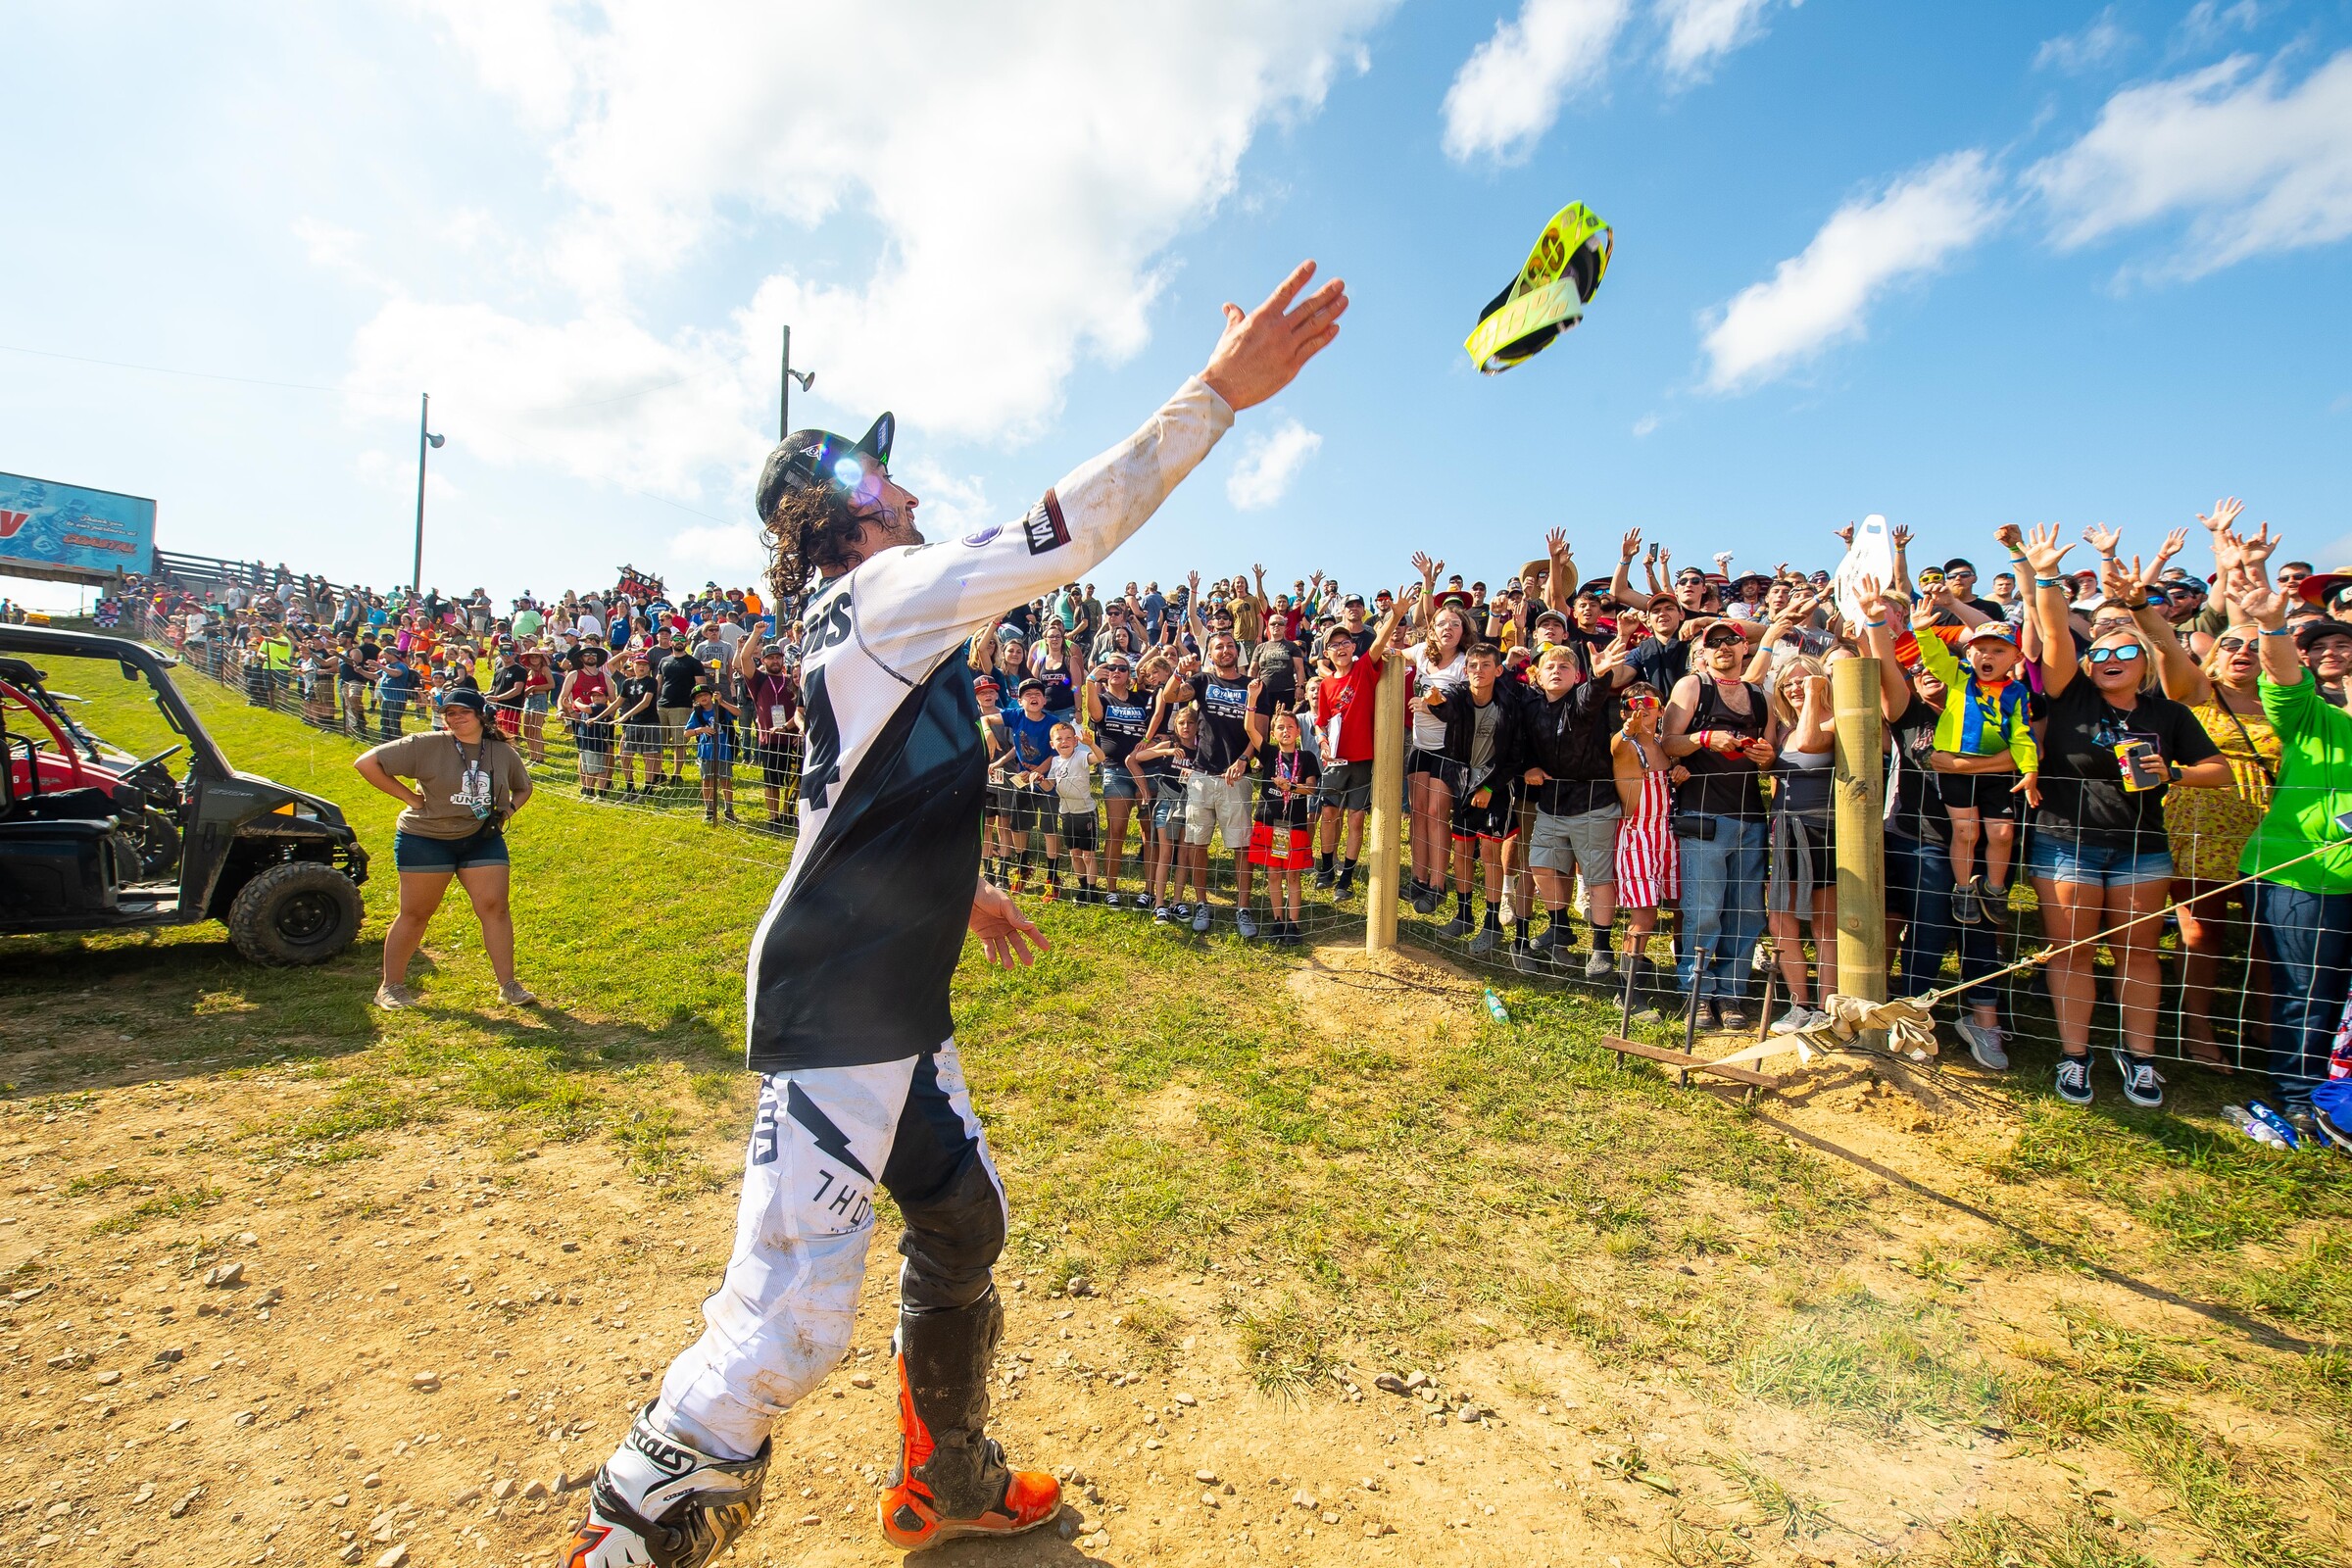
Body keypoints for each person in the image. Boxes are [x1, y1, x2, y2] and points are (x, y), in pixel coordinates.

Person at [562, 259, 1345, 1567]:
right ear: (836, 515)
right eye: (883, 482)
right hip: (841, 1006)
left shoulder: (866, 622)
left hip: (890, 988)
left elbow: (852, 801)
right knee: (787, 1321)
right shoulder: (881, 597)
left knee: (963, 1219)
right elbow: (1068, 534)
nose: (912, 491)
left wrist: (959, 885)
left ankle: (947, 1482)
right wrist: (1218, 395)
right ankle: (632, 1526)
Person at [2017, 524, 2230, 1107]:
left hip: (2142, 846)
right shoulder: (2068, 695)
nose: (2110, 658)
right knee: (2074, 952)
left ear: (2145, 660)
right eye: (2101, 652)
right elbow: (2056, 630)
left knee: (2138, 954)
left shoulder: (2168, 713)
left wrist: (2173, 772)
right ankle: (2075, 1057)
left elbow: (2220, 770)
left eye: (2124, 650)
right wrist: (2044, 574)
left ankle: (2139, 1059)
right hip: (2065, 842)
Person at [2227, 568, 2352, 1145]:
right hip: (2303, 876)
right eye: (2317, 645)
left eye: (2342, 642)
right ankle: (2300, 1099)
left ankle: (2339, 1097)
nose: (2331, 652)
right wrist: (2273, 624)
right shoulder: (2310, 717)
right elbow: (2280, 674)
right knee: (2309, 991)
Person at [353, 688, 536, 1009]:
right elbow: (366, 763)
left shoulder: (502, 752)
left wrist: (506, 811)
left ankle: (508, 985)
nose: (455, 718)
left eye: (463, 711)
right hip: (425, 838)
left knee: (495, 908)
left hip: (480, 838)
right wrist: (410, 798)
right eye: (449, 713)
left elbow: (524, 787)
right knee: (416, 913)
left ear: (481, 714)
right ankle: (390, 986)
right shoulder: (426, 744)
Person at [1662, 619, 1776, 1029]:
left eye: (1732, 641)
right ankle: (1696, 991)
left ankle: (1730, 994)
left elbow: (1772, 753)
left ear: (1746, 648)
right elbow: (1668, 742)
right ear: (1704, 652)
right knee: (1703, 910)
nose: (1724, 647)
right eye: (1714, 643)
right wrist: (1705, 739)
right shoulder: (1693, 687)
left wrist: (1767, 757)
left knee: (1746, 913)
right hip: (1703, 815)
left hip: (1751, 819)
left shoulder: (1761, 697)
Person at [1912, 619, 2038, 924]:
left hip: (1997, 771)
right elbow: (1936, 659)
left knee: (2003, 832)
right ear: (1969, 654)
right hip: (1955, 768)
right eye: (1980, 650)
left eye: (1998, 650)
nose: (1988, 657)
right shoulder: (1959, 678)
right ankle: (1965, 887)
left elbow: (2022, 734)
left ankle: (1995, 889)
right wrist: (1923, 631)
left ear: (2016, 658)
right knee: (1967, 832)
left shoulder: (2017, 692)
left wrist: (2030, 771)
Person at [1426, 642, 1526, 953]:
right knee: (1461, 850)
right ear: (1465, 670)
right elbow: (1444, 707)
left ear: (1498, 670)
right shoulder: (1459, 695)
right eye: (1473, 665)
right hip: (1464, 785)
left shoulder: (1510, 705)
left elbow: (1514, 757)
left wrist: (1489, 787)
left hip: (1495, 786)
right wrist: (1434, 701)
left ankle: (1492, 924)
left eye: (1485, 665)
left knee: (1490, 853)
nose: (1478, 671)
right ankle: (1464, 915)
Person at [1307, 590, 1404, 899]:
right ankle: (1325, 869)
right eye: (1334, 645)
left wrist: (1396, 615)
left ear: (1352, 646)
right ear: (1327, 653)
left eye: (1345, 643)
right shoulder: (1325, 684)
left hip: (1363, 757)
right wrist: (1322, 741)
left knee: (1356, 818)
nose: (1340, 648)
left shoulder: (1364, 669)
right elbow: (1320, 721)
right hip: (1334, 760)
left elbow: (1378, 644)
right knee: (1329, 815)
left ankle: (1346, 880)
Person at [1610, 680, 1683, 1010]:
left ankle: (1685, 981)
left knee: (1682, 908)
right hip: (1638, 837)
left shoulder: (1666, 748)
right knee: (1645, 916)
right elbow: (1617, 747)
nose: (1641, 707)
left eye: (1648, 701)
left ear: (1661, 708)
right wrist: (1627, 731)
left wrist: (1680, 771)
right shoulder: (1629, 747)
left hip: (1668, 837)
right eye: (1632, 702)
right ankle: (1626, 995)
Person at [1250, 708, 1320, 945]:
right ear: (1273, 733)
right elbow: (1250, 728)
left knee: (1292, 876)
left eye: (1290, 726)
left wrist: (1290, 787)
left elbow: (1310, 788)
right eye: (1280, 727)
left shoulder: (1308, 757)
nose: (1286, 731)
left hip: (1295, 825)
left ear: (1299, 731)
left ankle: (1293, 924)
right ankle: (1278, 921)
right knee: (1273, 874)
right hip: (1272, 824)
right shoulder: (1269, 754)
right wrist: (1252, 700)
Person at [1042, 720, 1099, 901]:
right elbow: (1049, 785)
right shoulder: (1055, 761)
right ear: (1052, 744)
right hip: (1066, 813)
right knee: (1075, 854)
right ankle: (1083, 889)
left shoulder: (1081, 756)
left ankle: (1092, 890)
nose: (1064, 741)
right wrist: (1039, 779)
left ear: (1075, 741)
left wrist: (1091, 744)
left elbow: (1100, 758)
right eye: (1059, 739)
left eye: (1068, 738)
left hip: (1086, 812)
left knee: (1088, 856)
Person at [685, 683, 739, 823]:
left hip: (723, 750)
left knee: (725, 780)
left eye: (704, 694)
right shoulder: (696, 713)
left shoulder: (720, 709)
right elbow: (686, 733)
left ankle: (729, 811)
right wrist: (701, 730)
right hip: (705, 752)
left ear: (711, 695)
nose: (702, 698)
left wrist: (722, 702)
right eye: (698, 696)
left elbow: (738, 713)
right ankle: (709, 811)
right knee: (707, 781)